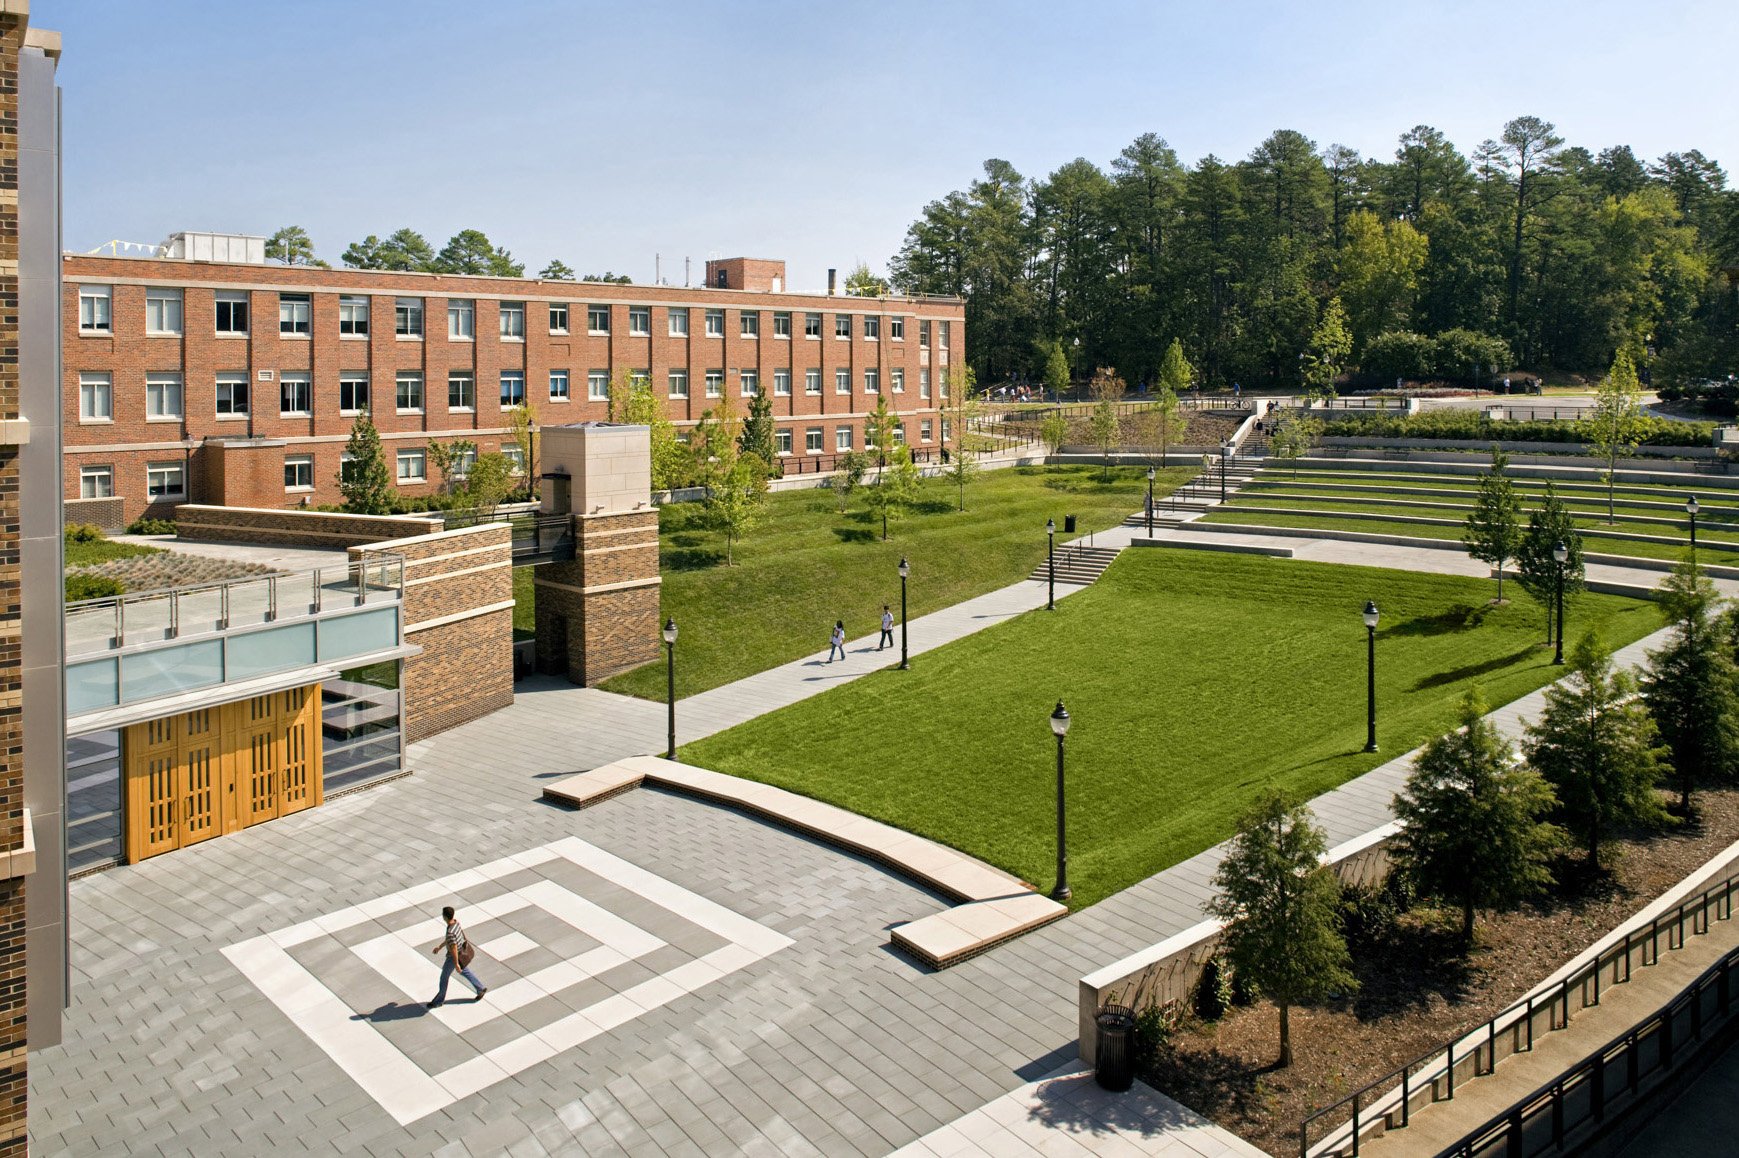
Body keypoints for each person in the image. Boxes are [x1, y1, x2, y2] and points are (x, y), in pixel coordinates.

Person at [428, 905, 486, 1008]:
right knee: (465, 971)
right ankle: (480, 988)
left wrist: (456, 964)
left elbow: (453, 947)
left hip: (453, 957)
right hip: (460, 953)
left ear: (445, 917)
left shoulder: (450, 932)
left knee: (444, 977)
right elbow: (452, 939)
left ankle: (438, 1001)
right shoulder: (455, 923)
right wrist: (440, 947)